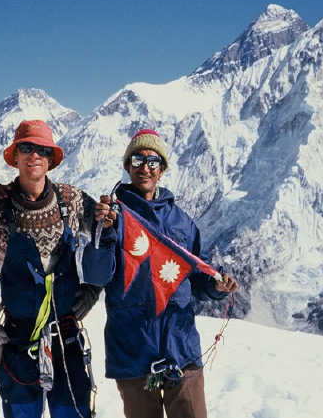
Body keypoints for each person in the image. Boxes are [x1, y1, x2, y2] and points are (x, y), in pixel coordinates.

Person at [0, 119, 116, 418]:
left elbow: (104, 238)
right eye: (26, 148)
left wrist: (93, 290)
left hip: (66, 338)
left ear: (50, 159)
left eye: (42, 150)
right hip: (18, 339)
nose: (34, 156)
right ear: (15, 156)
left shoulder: (72, 201)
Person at [98, 129, 238, 418]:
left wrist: (216, 287)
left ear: (162, 169)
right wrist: (106, 232)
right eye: (137, 160)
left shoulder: (182, 223)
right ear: (127, 166)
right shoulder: (112, 215)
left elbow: (196, 278)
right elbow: (96, 274)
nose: (145, 167)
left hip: (180, 349)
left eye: (153, 161)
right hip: (133, 350)